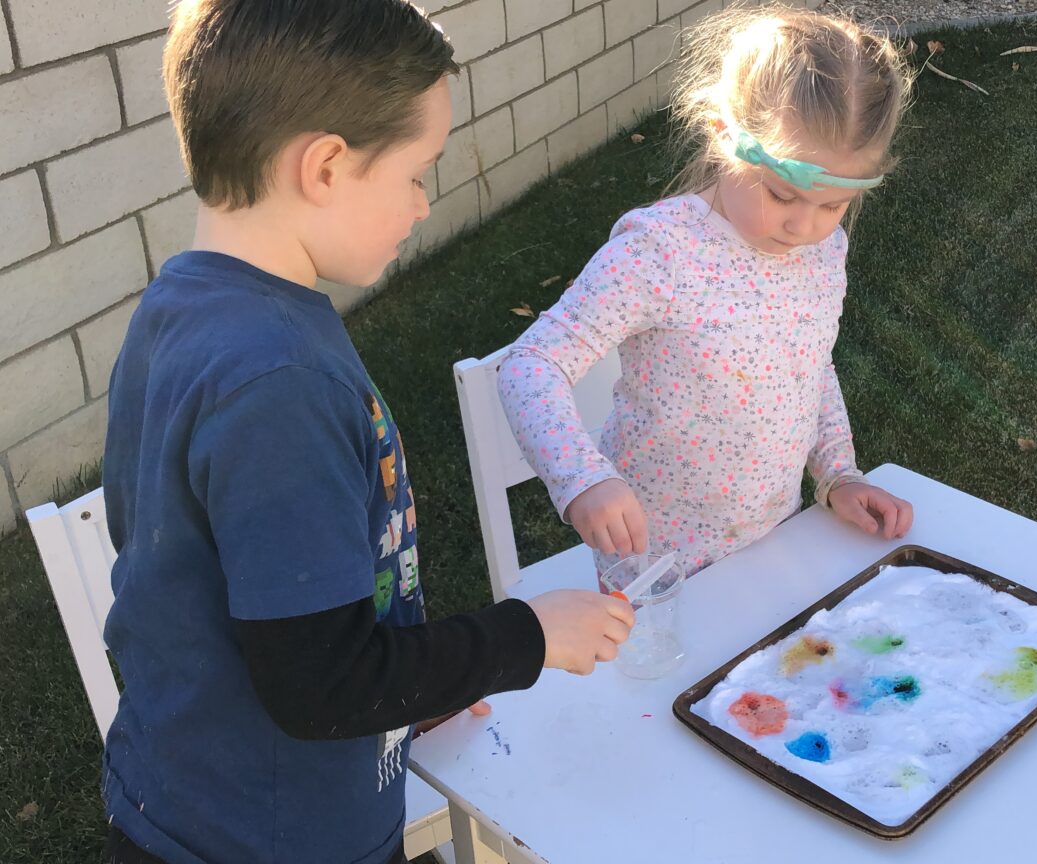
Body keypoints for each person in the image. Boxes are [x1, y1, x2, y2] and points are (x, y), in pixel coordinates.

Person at [100, 2, 631, 861]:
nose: (424, 205)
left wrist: (414, 684)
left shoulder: (183, 308)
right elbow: (322, 684)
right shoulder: (277, 381)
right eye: (418, 172)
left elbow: (221, 588)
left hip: (192, 798)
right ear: (326, 166)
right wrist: (523, 638)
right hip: (271, 835)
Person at [499, 6, 917, 582]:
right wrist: (583, 479)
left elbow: (809, 365)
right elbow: (531, 364)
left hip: (773, 546)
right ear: (725, 138)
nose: (805, 226)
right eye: (783, 193)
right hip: (655, 569)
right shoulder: (660, 252)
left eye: (832, 204)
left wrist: (838, 474)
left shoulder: (825, 252)